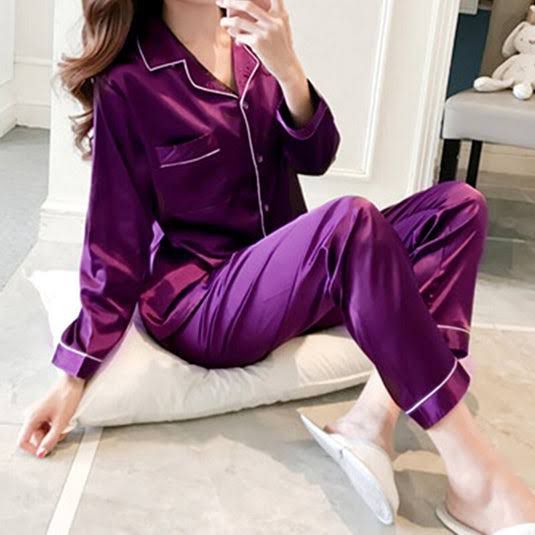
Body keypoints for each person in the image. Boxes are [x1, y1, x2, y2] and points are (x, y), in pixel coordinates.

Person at [17, 0, 535, 532]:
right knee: (350, 223)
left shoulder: (253, 46)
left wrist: (287, 67)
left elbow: (317, 157)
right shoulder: (128, 84)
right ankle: (475, 479)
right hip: (205, 302)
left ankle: (372, 417)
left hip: (291, 280)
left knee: (458, 208)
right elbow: (113, 244)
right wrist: (74, 374)